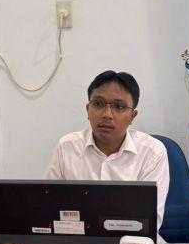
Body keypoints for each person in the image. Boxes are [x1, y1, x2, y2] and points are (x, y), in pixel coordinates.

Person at [45, 70, 169, 230]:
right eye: (98, 104)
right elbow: (49, 207)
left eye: (119, 106)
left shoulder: (152, 152)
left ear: (133, 116)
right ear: (87, 110)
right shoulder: (66, 147)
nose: (107, 115)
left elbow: (149, 222)